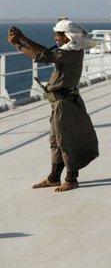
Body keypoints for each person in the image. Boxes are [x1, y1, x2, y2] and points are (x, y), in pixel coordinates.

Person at [7, 20, 100, 192]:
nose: (55, 37)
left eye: (58, 35)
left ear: (67, 37)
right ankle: (54, 177)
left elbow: (45, 55)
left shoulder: (71, 53)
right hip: (59, 103)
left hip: (64, 104)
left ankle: (71, 179)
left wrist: (22, 39)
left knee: (65, 141)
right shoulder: (70, 52)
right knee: (55, 141)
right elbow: (42, 55)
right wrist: (19, 44)